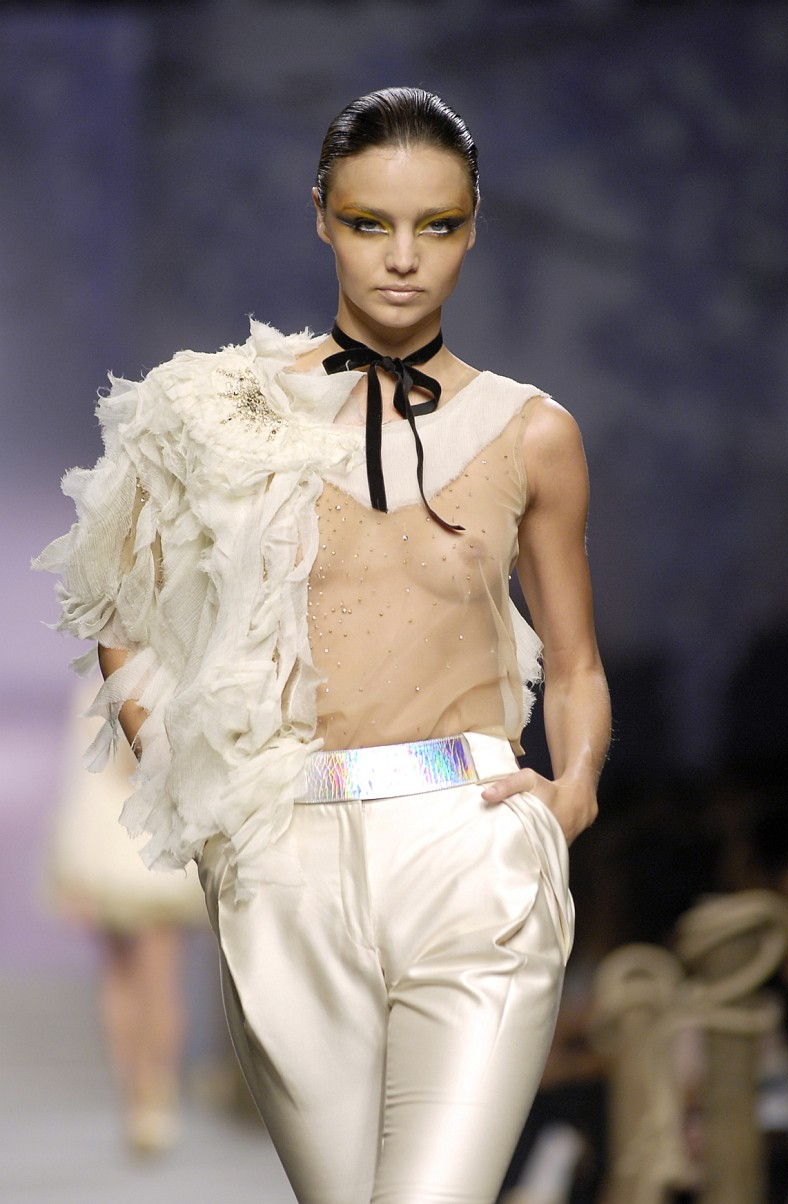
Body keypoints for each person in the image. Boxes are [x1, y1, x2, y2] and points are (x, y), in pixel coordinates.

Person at [33, 87, 611, 1204]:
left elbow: (576, 660)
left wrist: (572, 788)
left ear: (472, 228)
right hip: (281, 855)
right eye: (368, 222)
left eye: (435, 225)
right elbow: (122, 613)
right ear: (320, 218)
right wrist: (203, 806)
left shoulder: (532, 431)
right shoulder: (219, 415)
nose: (402, 257)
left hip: (470, 844)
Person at [45, 672, 207, 1153]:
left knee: (120, 977)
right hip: (151, 844)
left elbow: (81, 780)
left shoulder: (96, 684)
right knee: (157, 979)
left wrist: (71, 864)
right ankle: (155, 1094)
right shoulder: (174, 679)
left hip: (103, 847)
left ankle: (136, 1093)